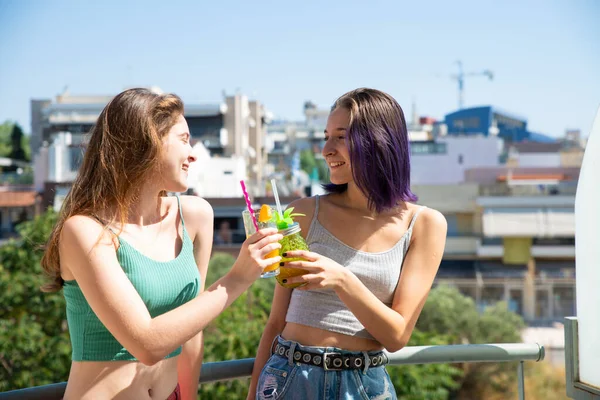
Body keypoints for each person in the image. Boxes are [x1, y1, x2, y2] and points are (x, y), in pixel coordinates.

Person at [40, 88, 283, 400]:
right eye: (183, 139)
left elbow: (192, 330)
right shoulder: (85, 231)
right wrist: (237, 278)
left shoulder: (195, 216)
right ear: (148, 144)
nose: (193, 153)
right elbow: (147, 344)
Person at [248, 88, 447, 399]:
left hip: (365, 386)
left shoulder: (424, 224)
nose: (326, 149)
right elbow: (275, 323)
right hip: (289, 378)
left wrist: (341, 278)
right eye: (326, 136)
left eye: (340, 137)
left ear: (378, 141)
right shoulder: (304, 212)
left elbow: (397, 336)